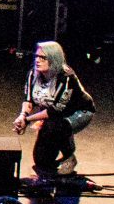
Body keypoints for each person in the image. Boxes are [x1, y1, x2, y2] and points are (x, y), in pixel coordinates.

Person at [13, 39, 95, 179]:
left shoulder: (66, 77)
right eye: (36, 56)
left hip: (78, 112)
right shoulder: (33, 74)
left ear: (54, 59)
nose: (38, 60)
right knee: (41, 159)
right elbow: (28, 100)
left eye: (43, 57)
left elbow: (56, 111)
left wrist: (28, 120)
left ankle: (69, 156)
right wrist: (22, 115)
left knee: (54, 126)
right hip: (52, 114)